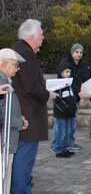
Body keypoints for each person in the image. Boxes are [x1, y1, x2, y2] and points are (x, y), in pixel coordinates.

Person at [10, 19, 58, 194]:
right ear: (31, 36)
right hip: (28, 117)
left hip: (22, 114)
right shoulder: (25, 53)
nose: (43, 37)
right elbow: (31, 85)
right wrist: (48, 94)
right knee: (23, 162)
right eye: (40, 34)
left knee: (20, 161)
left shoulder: (18, 50)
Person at [53, 44, 91, 153]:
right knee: (60, 123)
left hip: (75, 98)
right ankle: (56, 144)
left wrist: (90, 91)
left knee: (72, 121)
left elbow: (86, 78)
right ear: (72, 52)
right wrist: (78, 91)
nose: (79, 54)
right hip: (64, 98)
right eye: (77, 52)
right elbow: (68, 80)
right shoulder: (65, 63)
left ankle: (69, 141)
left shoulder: (83, 64)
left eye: (81, 52)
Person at [0, 48, 29, 193]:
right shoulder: (1, 81)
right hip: (3, 142)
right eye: (15, 65)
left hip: (6, 141)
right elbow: (2, 114)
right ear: (4, 64)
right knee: (2, 183)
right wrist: (20, 122)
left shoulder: (5, 80)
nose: (17, 69)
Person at [52, 63, 78, 157]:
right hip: (62, 112)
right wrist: (64, 108)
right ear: (61, 72)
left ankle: (65, 148)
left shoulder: (69, 83)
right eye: (67, 72)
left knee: (67, 131)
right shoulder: (58, 84)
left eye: (70, 72)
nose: (69, 74)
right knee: (60, 131)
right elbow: (57, 100)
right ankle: (59, 149)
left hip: (69, 112)